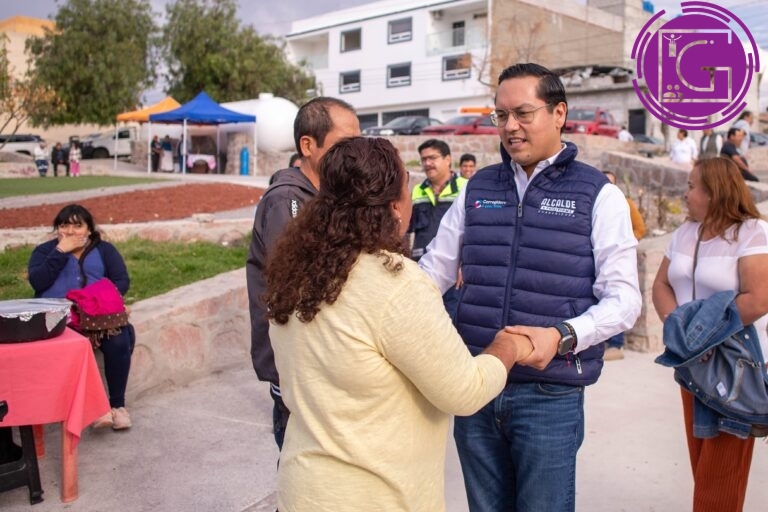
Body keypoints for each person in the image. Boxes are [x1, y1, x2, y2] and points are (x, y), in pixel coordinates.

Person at [263, 136, 534, 511]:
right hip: (373, 498)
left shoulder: (295, 274)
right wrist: (509, 347)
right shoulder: (395, 283)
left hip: (303, 491)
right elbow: (464, 391)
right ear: (394, 206)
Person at [419, 62, 642, 511]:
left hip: (549, 394)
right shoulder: (477, 187)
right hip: (478, 385)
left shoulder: (598, 195)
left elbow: (624, 300)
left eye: (523, 113)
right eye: (501, 116)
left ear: (559, 114)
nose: (510, 127)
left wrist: (563, 335)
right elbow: (432, 273)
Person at [651, 156, 768, 512]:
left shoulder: (751, 233)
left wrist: (703, 336)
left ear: (714, 192)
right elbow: (660, 284)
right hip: (692, 367)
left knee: (719, 478)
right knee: (703, 466)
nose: (685, 194)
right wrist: (679, 333)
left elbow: (759, 298)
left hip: (734, 370)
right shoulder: (686, 232)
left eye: (691, 186)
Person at [246, 96, 360, 451]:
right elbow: (301, 282)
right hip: (295, 367)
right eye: (345, 145)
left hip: (321, 366)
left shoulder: (327, 197)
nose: (355, 155)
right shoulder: (287, 201)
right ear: (308, 146)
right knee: (302, 471)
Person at [27, 204, 134, 430]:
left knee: (120, 338)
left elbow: (121, 281)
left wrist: (103, 300)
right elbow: (38, 282)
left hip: (97, 316)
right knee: (76, 346)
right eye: (64, 225)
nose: (71, 231)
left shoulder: (104, 250)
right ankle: (96, 409)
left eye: (78, 225)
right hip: (59, 317)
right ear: (57, 228)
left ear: (89, 229)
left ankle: (117, 406)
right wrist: (60, 252)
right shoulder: (45, 252)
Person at [408, 139, 466, 318]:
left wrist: (465, 264)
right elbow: (408, 229)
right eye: (423, 159)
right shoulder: (418, 190)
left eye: (432, 158)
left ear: (448, 159)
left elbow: (474, 231)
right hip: (421, 270)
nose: (427, 163)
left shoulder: (465, 187)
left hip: (454, 275)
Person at [602, 170, 646, 361]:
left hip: (617, 256)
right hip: (598, 256)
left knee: (616, 296)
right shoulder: (595, 202)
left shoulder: (625, 203)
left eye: (611, 182)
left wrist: (623, 243)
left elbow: (640, 228)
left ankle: (616, 344)